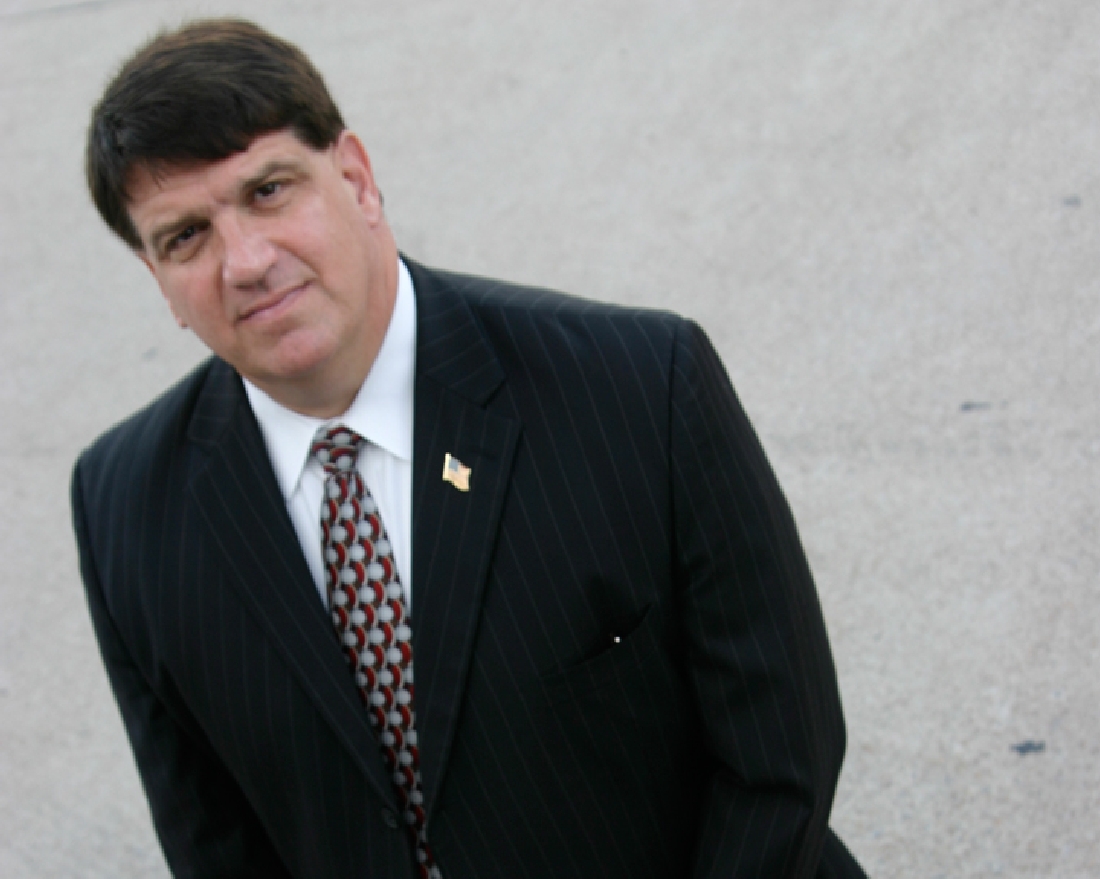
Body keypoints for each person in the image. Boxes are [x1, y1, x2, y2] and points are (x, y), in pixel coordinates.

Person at [71, 17, 866, 879]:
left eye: (268, 190)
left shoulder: (640, 387)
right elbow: (214, 844)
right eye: (185, 236)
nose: (246, 261)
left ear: (356, 179)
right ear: (159, 281)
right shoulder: (123, 506)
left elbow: (779, 756)